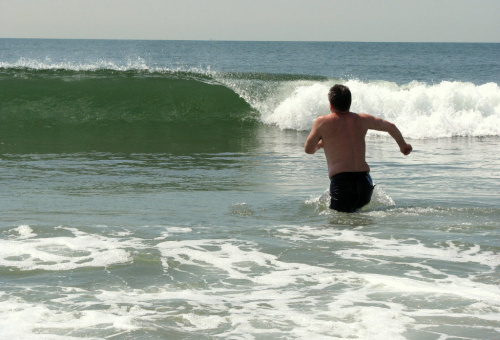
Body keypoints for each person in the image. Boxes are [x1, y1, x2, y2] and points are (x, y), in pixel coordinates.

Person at [304, 84, 412, 212]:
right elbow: (391, 126)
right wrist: (403, 146)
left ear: (331, 105)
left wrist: (320, 145)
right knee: (358, 224)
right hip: (365, 183)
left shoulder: (322, 122)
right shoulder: (362, 119)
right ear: (350, 103)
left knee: (337, 227)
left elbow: (308, 149)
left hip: (342, 183)